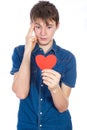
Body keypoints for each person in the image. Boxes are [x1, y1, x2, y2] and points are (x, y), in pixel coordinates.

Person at [10, 1, 77, 130]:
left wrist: (55, 88)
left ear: (57, 26)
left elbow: (63, 106)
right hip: (27, 125)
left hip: (58, 126)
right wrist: (28, 52)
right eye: (38, 26)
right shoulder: (19, 52)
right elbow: (21, 93)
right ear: (31, 26)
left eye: (49, 26)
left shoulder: (68, 58)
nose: (43, 33)